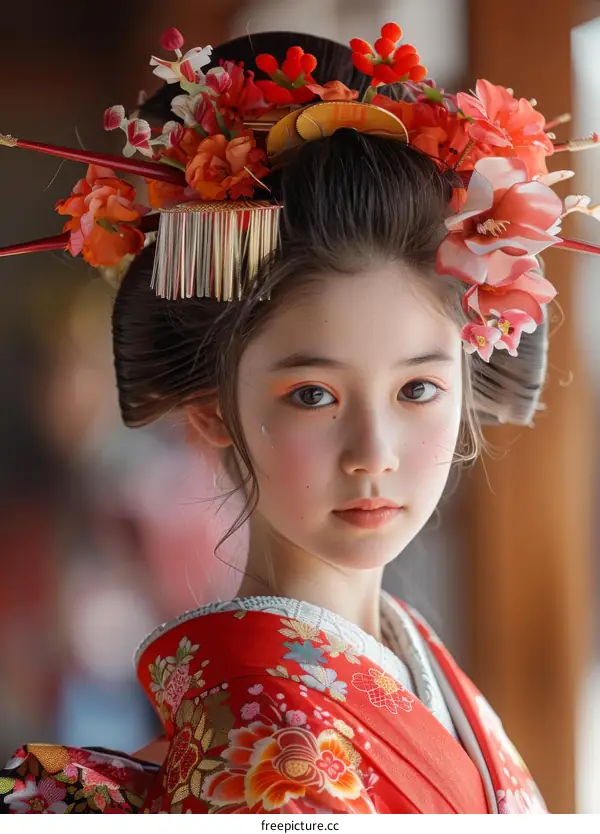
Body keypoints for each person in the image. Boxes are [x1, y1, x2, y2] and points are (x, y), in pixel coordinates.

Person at [1, 20, 598, 815]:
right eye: (312, 395)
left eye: (418, 389)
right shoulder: (267, 749)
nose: (373, 452)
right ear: (214, 409)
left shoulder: (399, 654)